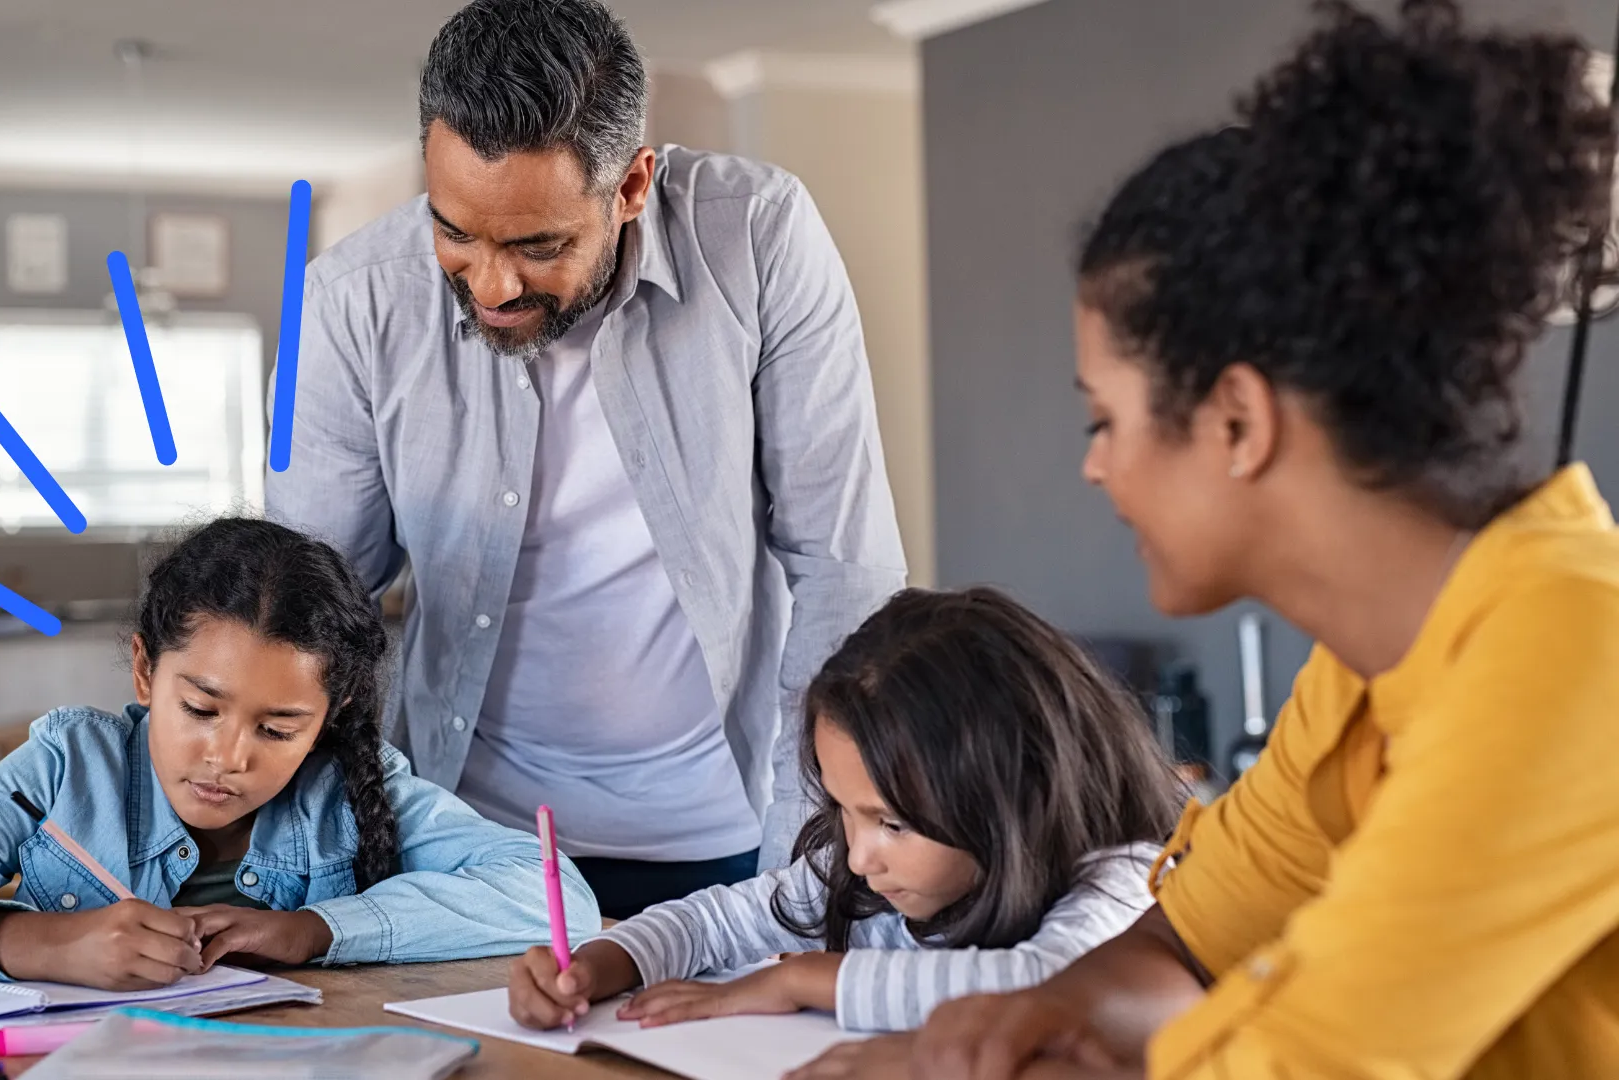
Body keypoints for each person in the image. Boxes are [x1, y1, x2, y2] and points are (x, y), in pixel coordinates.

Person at [791, 2, 1619, 1078]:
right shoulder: (1360, 678)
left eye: (1105, 419)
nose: (1094, 466)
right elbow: (1184, 938)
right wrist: (1021, 1028)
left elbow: (1305, 1056)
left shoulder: (1565, 652)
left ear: (1237, 419)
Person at [266, 0, 907, 918]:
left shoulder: (759, 236)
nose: (491, 285)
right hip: (466, 843)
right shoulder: (349, 300)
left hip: (734, 833)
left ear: (633, 185)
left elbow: (847, 569)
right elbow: (306, 607)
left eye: (538, 245)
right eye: (455, 232)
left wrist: (803, 859)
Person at [0, 519, 600, 988]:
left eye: (278, 728)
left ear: (331, 716)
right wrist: (34, 942)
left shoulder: (355, 787)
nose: (228, 756)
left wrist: (316, 929)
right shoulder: (67, 767)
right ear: (147, 671)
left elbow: (554, 896)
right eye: (201, 708)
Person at [506, 587, 1182, 1034]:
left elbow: (1052, 987)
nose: (858, 857)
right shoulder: (860, 871)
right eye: (842, 809)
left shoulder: (1125, 882)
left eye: (893, 822)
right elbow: (715, 921)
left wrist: (805, 978)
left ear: (1018, 793)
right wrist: (600, 965)